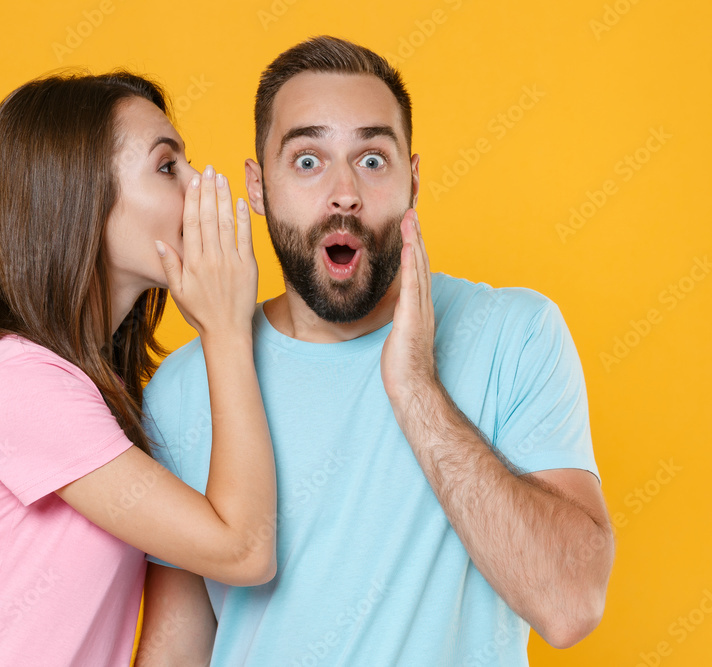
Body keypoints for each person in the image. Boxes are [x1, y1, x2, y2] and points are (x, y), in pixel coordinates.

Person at [138, 36, 615, 666]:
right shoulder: (184, 387)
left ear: (413, 179)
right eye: (307, 161)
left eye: (372, 160)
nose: (344, 193)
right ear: (258, 186)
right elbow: (177, 652)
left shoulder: (515, 334)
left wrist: (416, 388)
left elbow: (570, 603)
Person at [0, 71, 278, 666]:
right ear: (80, 199)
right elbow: (243, 550)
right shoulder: (16, 383)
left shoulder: (90, 394)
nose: (201, 184)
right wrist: (227, 329)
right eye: (167, 166)